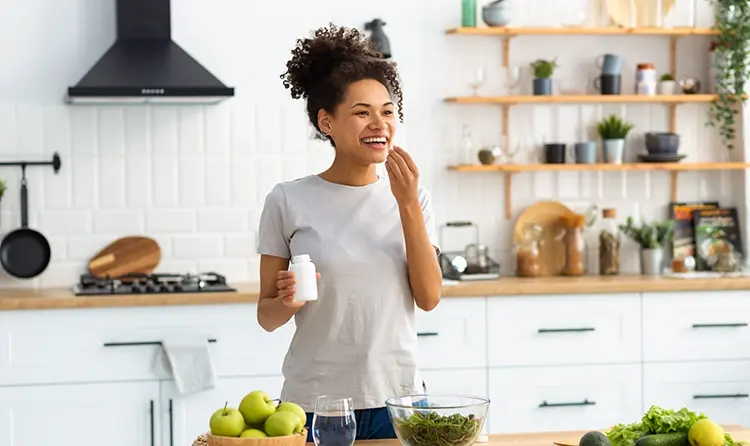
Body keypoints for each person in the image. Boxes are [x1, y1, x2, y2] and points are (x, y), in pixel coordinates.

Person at [256, 23, 443, 442]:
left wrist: (408, 203)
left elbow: (429, 297)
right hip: (315, 403)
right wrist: (287, 301)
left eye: (387, 111)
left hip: (400, 400)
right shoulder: (287, 201)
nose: (379, 123)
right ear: (327, 122)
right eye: (362, 112)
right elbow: (266, 317)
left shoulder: (414, 198)